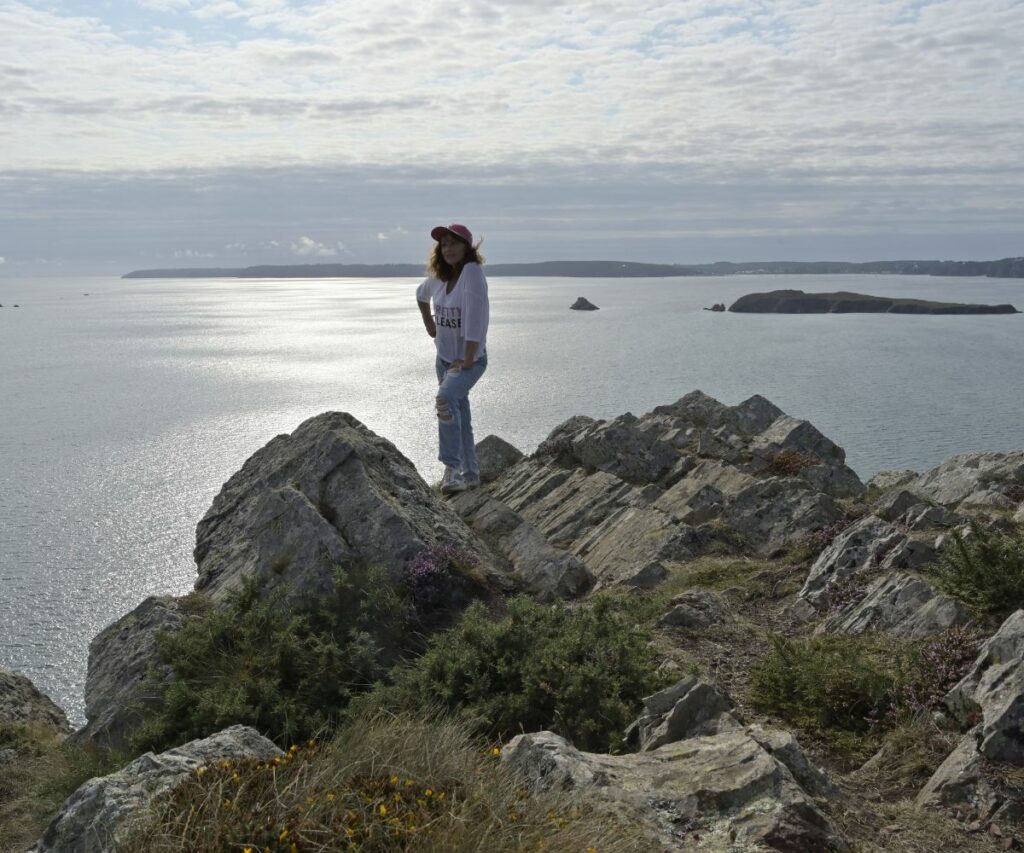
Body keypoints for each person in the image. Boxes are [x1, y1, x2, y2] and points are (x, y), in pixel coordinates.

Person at [416, 223, 490, 494]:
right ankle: (470, 474)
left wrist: (468, 359)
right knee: (460, 414)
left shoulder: (472, 272)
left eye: (454, 243)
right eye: (443, 244)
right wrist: (430, 326)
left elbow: (476, 319)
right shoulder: (438, 278)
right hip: (444, 359)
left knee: (445, 400)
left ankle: (452, 470)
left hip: (469, 360)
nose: (448, 249)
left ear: (467, 247)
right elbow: (420, 296)